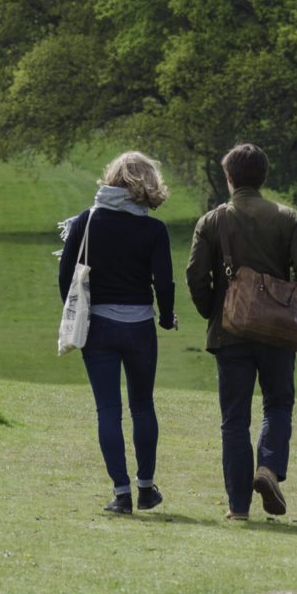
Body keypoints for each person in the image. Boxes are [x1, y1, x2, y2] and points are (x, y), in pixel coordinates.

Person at [186, 142, 297, 522]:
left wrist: (215, 311)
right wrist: (294, 314)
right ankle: (268, 469)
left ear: (229, 178)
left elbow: (195, 276)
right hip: (277, 334)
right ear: (263, 177)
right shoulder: (287, 217)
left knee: (234, 419)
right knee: (277, 405)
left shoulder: (212, 221)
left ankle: (238, 508)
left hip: (230, 335)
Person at [58, 151, 177, 515]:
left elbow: (66, 278)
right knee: (142, 406)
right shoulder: (153, 229)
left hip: (99, 328)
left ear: (111, 178)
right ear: (148, 183)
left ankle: (121, 493)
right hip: (140, 326)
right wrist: (166, 317)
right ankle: (146, 489)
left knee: (107, 410)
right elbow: (164, 283)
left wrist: (80, 314)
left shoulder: (87, 221)